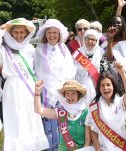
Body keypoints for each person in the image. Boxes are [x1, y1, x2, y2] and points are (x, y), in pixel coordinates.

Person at [0, 18, 49, 150]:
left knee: (30, 115)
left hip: (29, 86)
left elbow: (36, 68)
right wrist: (0, 32)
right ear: (11, 33)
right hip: (12, 87)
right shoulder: (4, 49)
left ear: (26, 33)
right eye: (15, 32)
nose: (19, 35)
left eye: (22, 32)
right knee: (16, 118)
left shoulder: (30, 48)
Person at [35, 18, 76, 150]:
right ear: (45, 34)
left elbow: (70, 70)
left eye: (55, 33)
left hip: (63, 93)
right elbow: (38, 71)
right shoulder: (39, 50)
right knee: (48, 125)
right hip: (47, 94)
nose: (52, 36)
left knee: (63, 124)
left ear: (59, 35)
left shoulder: (64, 49)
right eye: (49, 33)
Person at [87, 62, 126, 151]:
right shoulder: (94, 106)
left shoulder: (121, 101)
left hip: (121, 146)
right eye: (102, 86)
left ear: (113, 86)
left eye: (108, 85)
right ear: (99, 89)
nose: (106, 88)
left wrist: (122, 73)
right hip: (103, 148)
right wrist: (97, 148)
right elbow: (93, 129)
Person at [34, 80, 92, 150]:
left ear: (78, 95)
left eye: (73, 93)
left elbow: (88, 140)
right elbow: (38, 110)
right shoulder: (61, 112)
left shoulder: (85, 113)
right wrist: (37, 93)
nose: (70, 96)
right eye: (67, 93)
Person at [72, 29, 105, 106]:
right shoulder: (77, 53)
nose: (90, 41)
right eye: (88, 39)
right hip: (80, 88)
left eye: (93, 39)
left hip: (97, 88)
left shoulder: (101, 52)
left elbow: (104, 70)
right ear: (84, 39)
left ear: (97, 41)